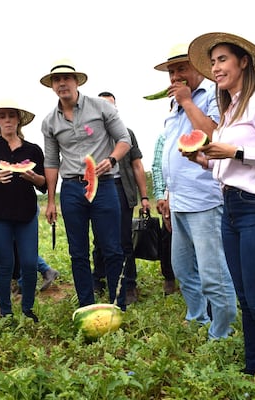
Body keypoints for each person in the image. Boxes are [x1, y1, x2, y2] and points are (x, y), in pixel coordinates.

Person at [187, 32, 255, 398]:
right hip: (231, 208)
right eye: (214, 62)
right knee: (245, 298)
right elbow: (229, 167)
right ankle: (254, 366)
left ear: (243, 62)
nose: (216, 67)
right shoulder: (230, 109)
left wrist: (233, 151)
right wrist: (204, 160)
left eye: (222, 59)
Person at [154, 43, 237, 340]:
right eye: (171, 71)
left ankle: (222, 333)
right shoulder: (173, 104)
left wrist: (188, 102)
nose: (176, 76)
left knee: (213, 274)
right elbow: (171, 152)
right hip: (178, 202)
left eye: (182, 69)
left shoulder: (214, 96)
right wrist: (165, 195)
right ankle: (197, 317)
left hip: (205, 200)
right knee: (183, 269)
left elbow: (213, 135)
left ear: (197, 69)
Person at [40, 59, 131, 310]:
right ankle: (86, 305)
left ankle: (117, 304)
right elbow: (51, 161)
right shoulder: (49, 122)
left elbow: (124, 139)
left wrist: (111, 159)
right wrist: (50, 201)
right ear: (52, 86)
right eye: (56, 80)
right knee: (77, 252)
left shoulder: (101, 107)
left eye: (66, 79)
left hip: (104, 185)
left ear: (76, 81)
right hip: (71, 188)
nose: (62, 84)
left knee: (112, 248)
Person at [0, 100, 47, 322]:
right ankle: (5, 310)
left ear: (18, 120)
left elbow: (44, 184)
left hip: (26, 214)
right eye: (3, 116)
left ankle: (28, 309)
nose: (7, 120)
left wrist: (33, 177)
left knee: (28, 262)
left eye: (11, 116)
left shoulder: (33, 150)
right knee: (4, 263)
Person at [92, 91, 150, 305]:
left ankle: (130, 284)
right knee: (99, 239)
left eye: (111, 106)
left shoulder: (127, 133)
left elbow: (137, 165)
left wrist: (144, 196)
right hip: (99, 190)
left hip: (122, 189)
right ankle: (98, 279)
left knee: (125, 239)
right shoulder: (90, 133)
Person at [151, 131, 177, 295]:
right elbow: (157, 167)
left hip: (198, 196)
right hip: (170, 195)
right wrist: (161, 196)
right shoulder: (164, 137)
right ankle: (169, 277)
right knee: (167, 238)